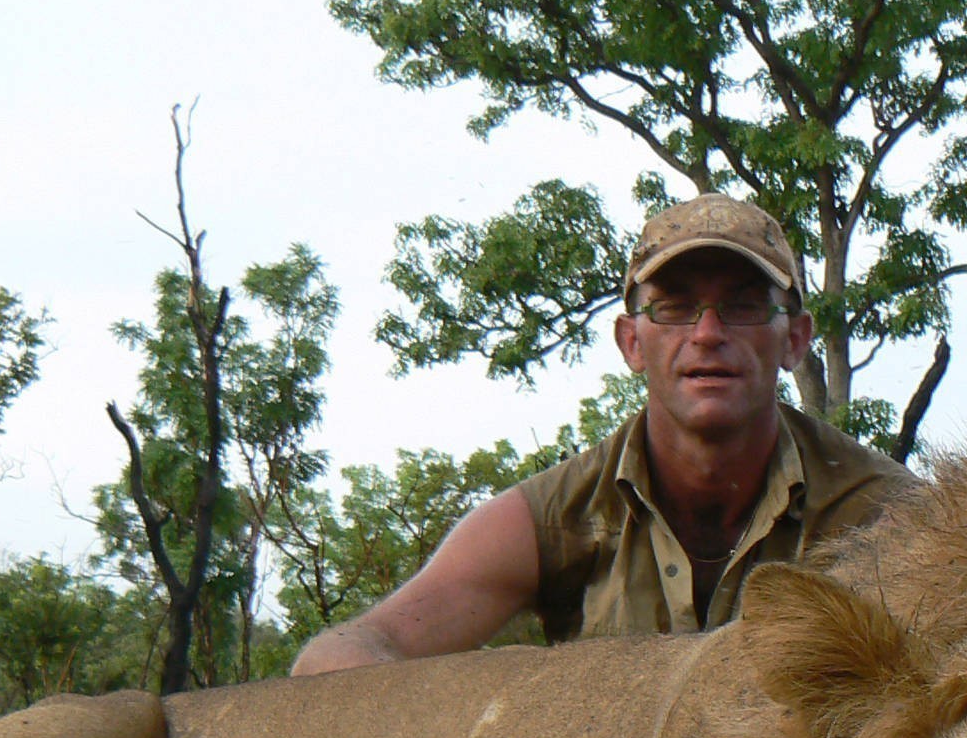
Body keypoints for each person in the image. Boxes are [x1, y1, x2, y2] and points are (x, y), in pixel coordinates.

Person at [289, 194, 910, 675]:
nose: (708, 332)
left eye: (745, 305)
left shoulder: (890, 513)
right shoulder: (557, 515)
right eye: (673, 306)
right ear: (631, 342)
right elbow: (346, 653)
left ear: (795, 339)